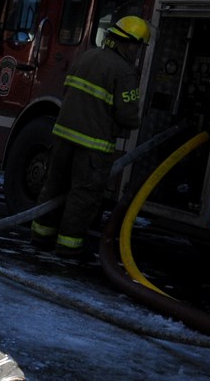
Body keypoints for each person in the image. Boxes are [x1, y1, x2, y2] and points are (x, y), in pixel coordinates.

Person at [30, 15, 151, 253]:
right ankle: (69, 247)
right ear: (127, 43)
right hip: (93, 148)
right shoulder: (124, 72)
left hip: (63, 138)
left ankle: (40, 236)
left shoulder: (86, 56)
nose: (137, 53)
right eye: (137, 47)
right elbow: (128, 116)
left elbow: (67, 90)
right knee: (83, 197)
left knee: (53, 187)